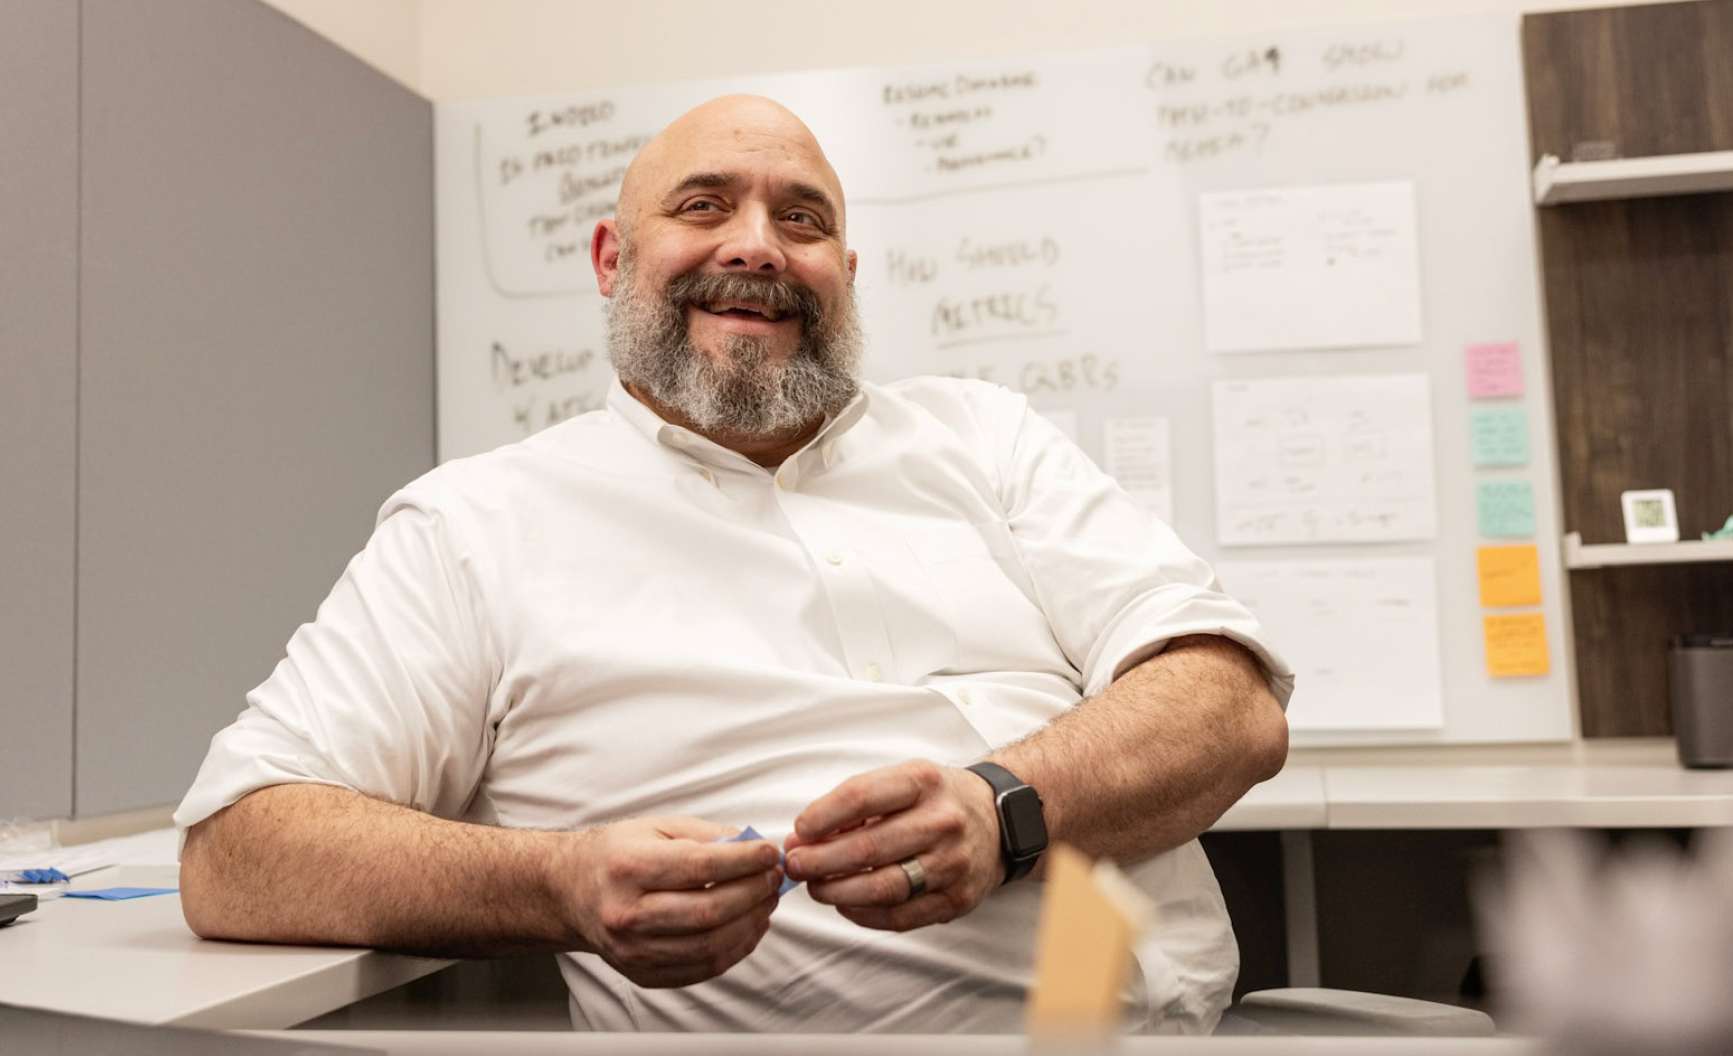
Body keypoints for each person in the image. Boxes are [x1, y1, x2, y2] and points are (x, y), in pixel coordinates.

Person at [175, 94, 1292, 1034]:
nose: (757, 244)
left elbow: (1229, 708)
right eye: (704, 205)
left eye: (801, 220)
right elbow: (239, 851)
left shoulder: (984, 440)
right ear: (614, 260)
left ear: (844, 275)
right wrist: (559, 885)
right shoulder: (477, 525)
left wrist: (1005, 809)